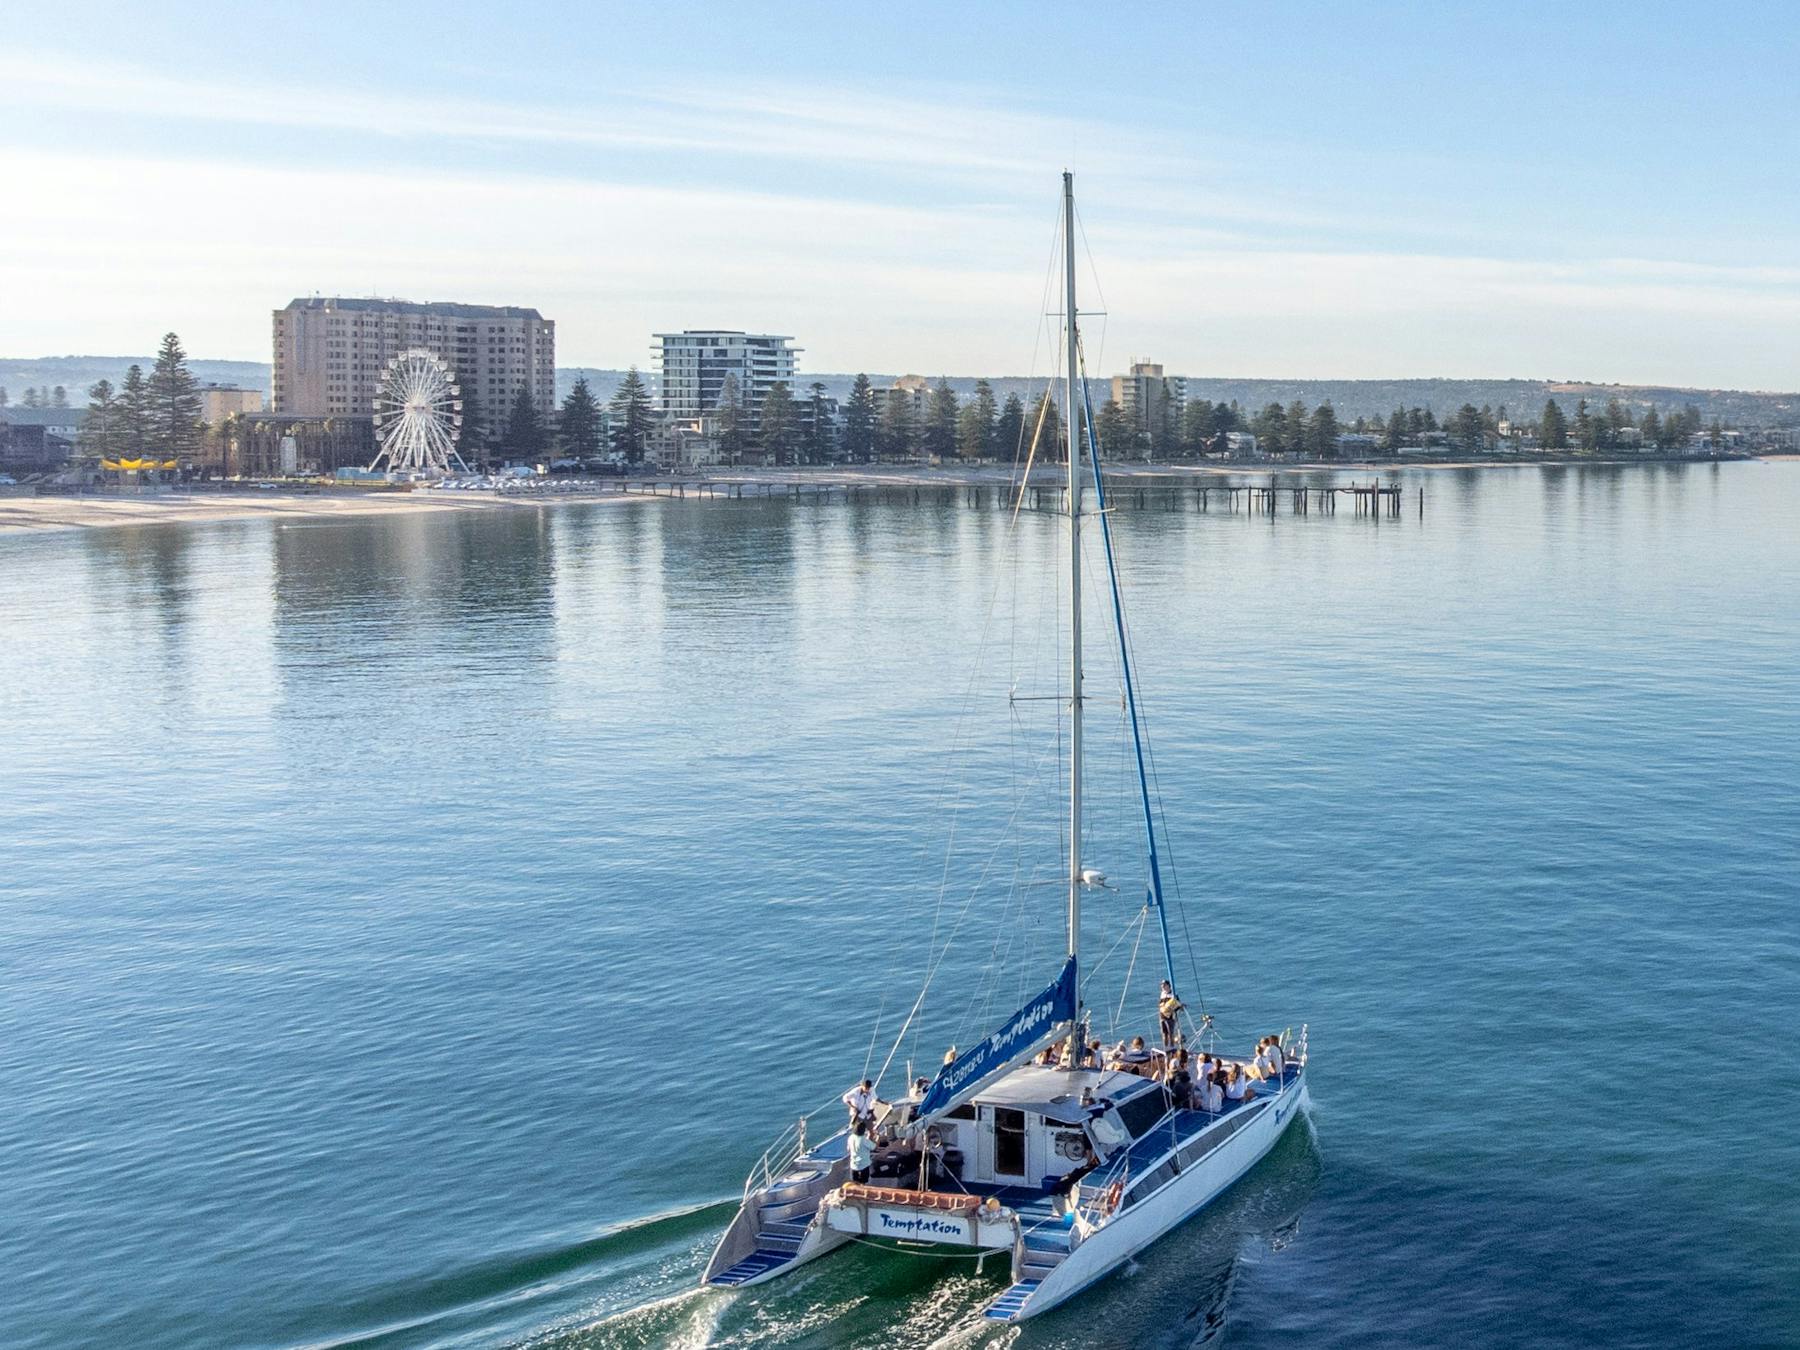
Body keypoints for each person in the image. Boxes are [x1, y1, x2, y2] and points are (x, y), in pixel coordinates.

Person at [1157, 981, 1185, 1048]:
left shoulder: (1173, 994)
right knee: (1164, 1033)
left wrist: (1179, 1007)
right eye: (1162, 985)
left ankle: (1171, 1048)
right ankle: (1165, 1047)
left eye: (1164, 985)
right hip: (1162, 1016)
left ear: (1168, 985)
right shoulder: (1162, 994)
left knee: (1170, 1034)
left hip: (1170, 1017)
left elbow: (1178, 1004)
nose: (1162, 986)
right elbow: (1160, 1003)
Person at [848, 1119, 874, 1185]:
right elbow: (874, 1147)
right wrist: (876, 1138)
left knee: (855, 1182)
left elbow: (848, 1149)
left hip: (853, 1165)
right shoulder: (863, 1139)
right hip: (864, 1165)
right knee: (863, 1182)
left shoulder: (850, 1137)